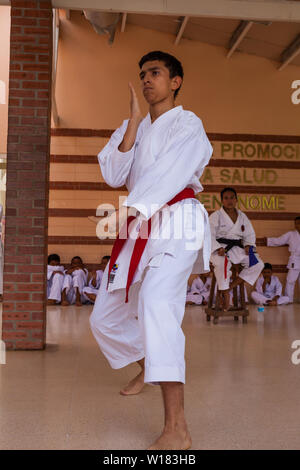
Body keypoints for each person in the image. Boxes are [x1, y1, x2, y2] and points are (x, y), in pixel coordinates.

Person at [89, 50, 213, 450]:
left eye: (155, 73)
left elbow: (170, 173)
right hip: (140, 222)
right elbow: (112, 172)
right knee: (103, 319)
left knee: (157, 301)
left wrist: (131, 210)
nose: (146, 79)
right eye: (142, 74)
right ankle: (149, 366)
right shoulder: (134, 125)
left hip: (176, 220)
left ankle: (176, 426)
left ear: (175, 81)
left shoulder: (188, 123)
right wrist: (132, 126)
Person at [210, 187, 264, 311]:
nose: (229, 200)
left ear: (236, 199)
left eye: (232, 198)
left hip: (238, 247)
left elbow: (249, 235)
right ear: (222, 201)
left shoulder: (242, 216)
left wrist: (248, 245)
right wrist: (217, 248)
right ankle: (224, 293)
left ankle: (230, 287)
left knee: (257, 264)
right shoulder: (216, 216)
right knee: (221, 263)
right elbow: (209, 235)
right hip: (221, 248)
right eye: (226, 198)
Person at [266, 216, 300, 303]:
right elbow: (279, 240)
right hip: (295, 260)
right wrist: (268, 241)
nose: (297, 225)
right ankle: (288, 300)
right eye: (296, 223)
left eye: (299, 223)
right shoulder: (291, 234)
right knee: (290, 280)